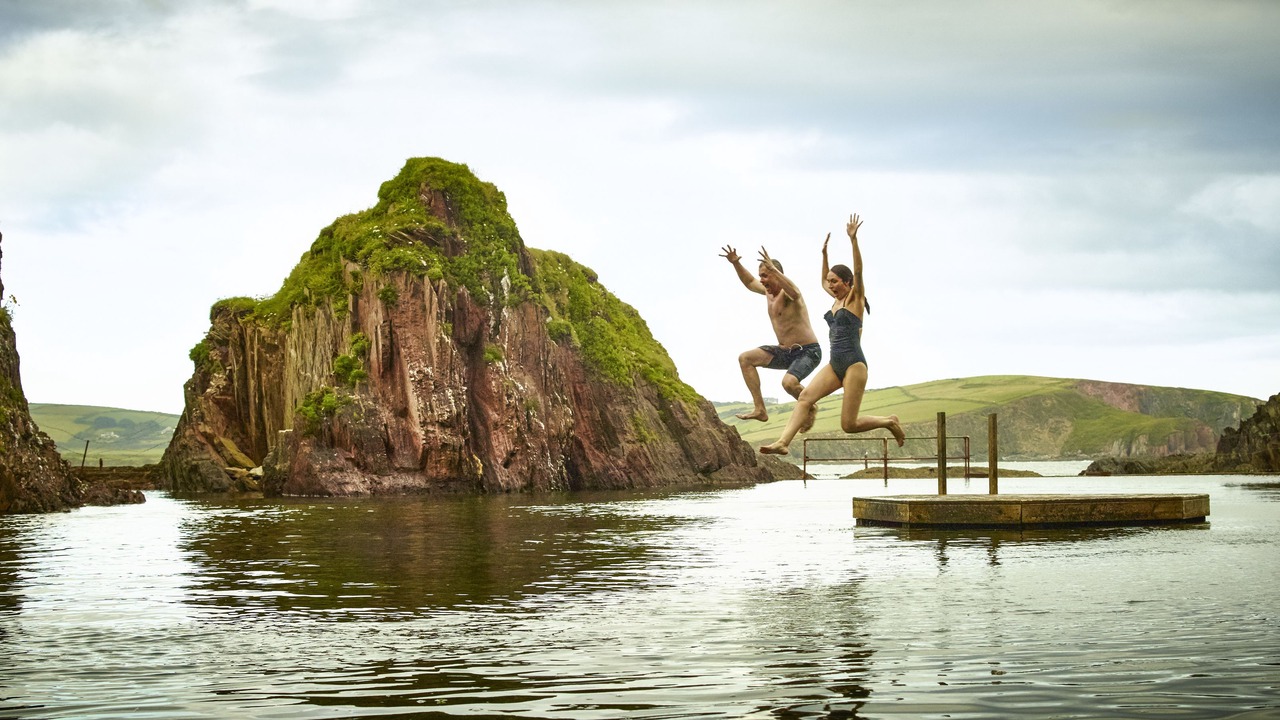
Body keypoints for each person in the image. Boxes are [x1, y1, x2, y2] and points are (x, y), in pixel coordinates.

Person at [760, 214, 904, 455]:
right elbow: (822, 279)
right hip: (834, 364)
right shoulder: (835, 302)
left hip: (854, 365)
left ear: (847, 283)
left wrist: (853, 240)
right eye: (830, 282)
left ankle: (889, 421)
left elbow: (858, 270)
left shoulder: (855, 299)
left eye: (835, 282)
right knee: (805, 397)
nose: (831, 285)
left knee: (849, 425)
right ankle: (783, 442)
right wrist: (824, 255)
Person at [720, 243, 822, 430]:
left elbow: (796, 291)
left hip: (808, 351)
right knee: (746, 358)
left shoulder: (790, 294)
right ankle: (760, 409)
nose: (762, 280)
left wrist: (774, 269)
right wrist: (735, 263)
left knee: (789, 383)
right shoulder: (767, 292)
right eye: (761, 276)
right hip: (785, 350)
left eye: (765, 276)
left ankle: (811, 406)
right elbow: (750, 283)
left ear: (776, 275)